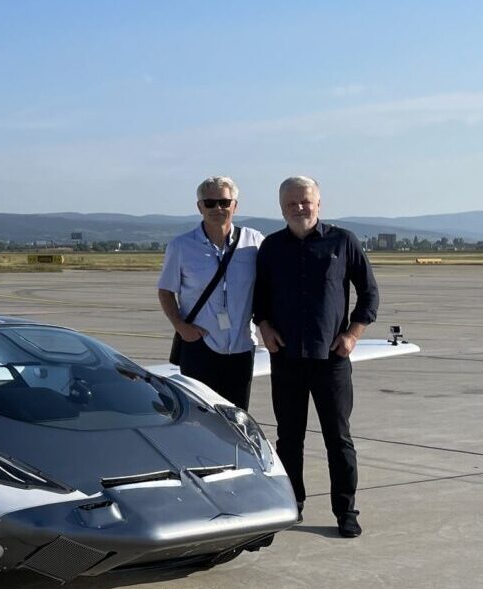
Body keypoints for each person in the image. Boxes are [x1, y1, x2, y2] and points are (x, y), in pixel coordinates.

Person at [252, 176, 379, 537]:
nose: (299, 208)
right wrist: (263, 324)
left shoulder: (344, 241)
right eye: (291, 204)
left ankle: (345, 510)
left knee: (337, 437)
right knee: (289, 438)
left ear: (318, 204)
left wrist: (353, 334)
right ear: (282, 208)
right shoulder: (272, 247)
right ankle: (293, 503)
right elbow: (258, 296)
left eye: (305, 201)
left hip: (332, 359)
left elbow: (369, 294)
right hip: (287, 357)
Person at [157, 176, 263, 409]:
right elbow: (165, 291)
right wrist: (181, 327)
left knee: (236, 416)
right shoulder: (181, 246)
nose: (217, 208)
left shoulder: (254, 242)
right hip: (200, 344)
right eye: (210, 203)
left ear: (235, 205)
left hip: (242, 345)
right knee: (199, 417)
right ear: (199, 207)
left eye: (224, 202)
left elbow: (270, 288)